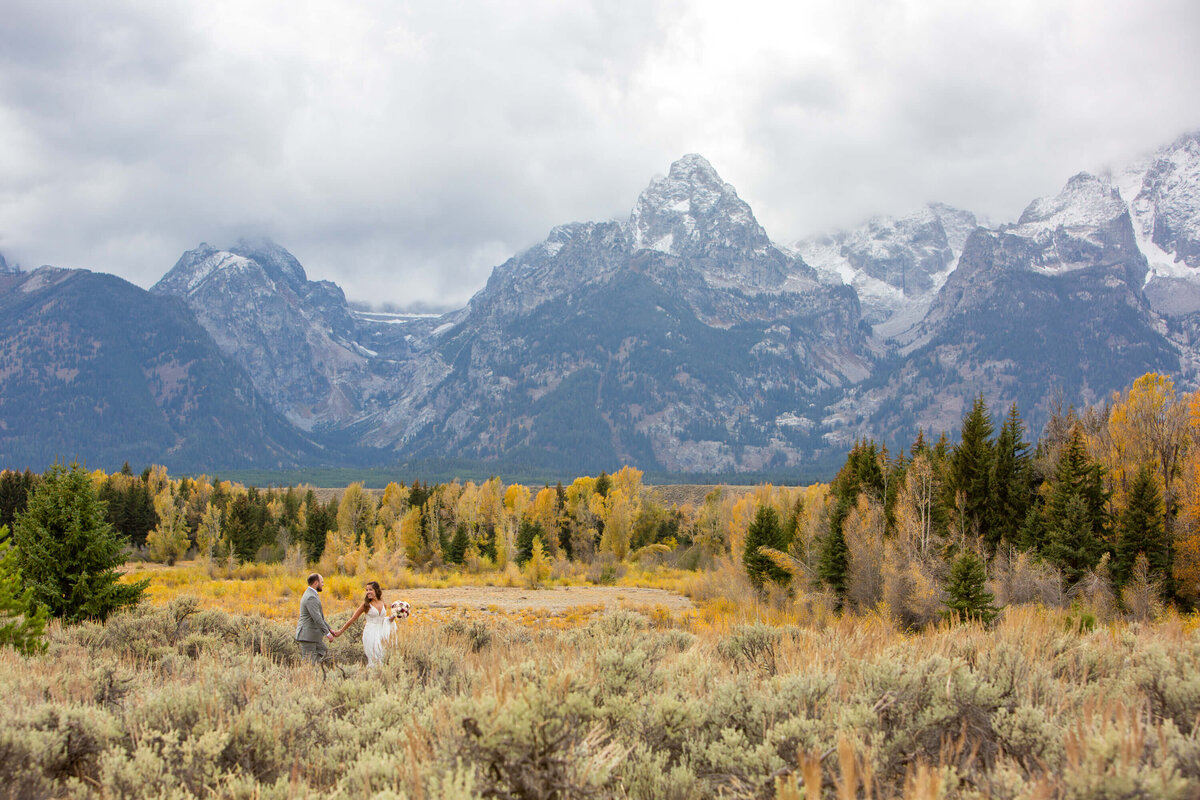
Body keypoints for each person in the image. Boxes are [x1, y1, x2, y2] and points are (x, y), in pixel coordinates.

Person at [334, 580, 396, 667]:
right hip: (370, 633)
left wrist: (394, 616)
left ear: (376, 590)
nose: (368, 592)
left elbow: (384, 620)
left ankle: (380, 677)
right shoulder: (366, 605)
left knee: (382, 657)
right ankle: (371, 675)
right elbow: (353, 619)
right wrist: (340, 631)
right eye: (366, 590)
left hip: (381, 633)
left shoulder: (383, 603)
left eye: (370, 589)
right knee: (374, 657)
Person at [295, 572, 337, 663]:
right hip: (307, 636)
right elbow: (317, 618)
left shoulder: (311, 594)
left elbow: (319, 617)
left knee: (324, 653)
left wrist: (329, 629)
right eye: (322, 582)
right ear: (316, 583)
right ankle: (306, 676)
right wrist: (327, 634)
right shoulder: (310, 597)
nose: (323, 584)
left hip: (313, 636)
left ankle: (318, 674)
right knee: (308, 661)